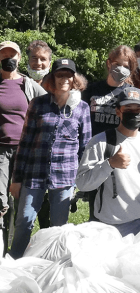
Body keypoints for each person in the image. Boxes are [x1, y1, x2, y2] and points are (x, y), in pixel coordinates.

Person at [9, 58, 91, 259]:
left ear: (74, 79)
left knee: (59, 228)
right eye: (59, 75)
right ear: (52, 78)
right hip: (33, 174)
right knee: (24, 221)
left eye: (68, 75)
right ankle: (14, 263)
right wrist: (17, 179)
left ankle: (54, 265)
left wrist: (81, 182)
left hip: (65, 178)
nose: (64, 79)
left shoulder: (82, 108)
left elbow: (85, 148)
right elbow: (25, 142)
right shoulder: (38, 104)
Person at [76, 87, 140, 236]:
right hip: (111, 228)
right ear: (118, 111)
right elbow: (82, 183)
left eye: (138, 109)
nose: (134, 114)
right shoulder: (101, 142)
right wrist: (109, 164)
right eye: (128, 109)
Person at [0, 41, 46, 255]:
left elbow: (48, 108)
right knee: (0, 202)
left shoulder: (28, 85)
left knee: (22, 203)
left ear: (19, 59)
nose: (8, 59)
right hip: (1, 152)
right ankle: (1, 250)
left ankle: (17, 253)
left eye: (13, 55)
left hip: (25, 152)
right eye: (4, 55)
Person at [82, 45, 137, 220]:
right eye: (117, 63)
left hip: (118, 150)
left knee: (117, 198)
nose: (121, 68)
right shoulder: (92, 90)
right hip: (94, 150)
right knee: (95, 199)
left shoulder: (130, 93)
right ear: (108, 64)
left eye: (127, 66)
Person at [26, 40, 54, 229]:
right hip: (23, 150)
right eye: (34, 58)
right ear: (26, 61)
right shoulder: (18, 82)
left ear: (50, 63)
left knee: (48, 207)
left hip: (48, 151)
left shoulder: (58, 84)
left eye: (43, 59)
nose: (38, 63)